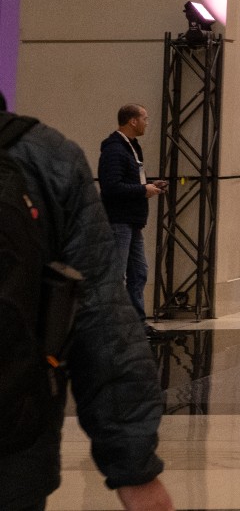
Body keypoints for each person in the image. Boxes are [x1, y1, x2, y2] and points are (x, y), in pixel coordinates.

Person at [1, 94, 176, 511]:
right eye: (143, 118)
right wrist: (135, 466)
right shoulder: (44, 156)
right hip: (13, 446)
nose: (147, 122)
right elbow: (101, 316)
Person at [97, 104, 165, 320]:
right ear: (132, 121)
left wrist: (149, 185)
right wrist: (143, 190)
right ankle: (112, 323)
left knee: (139, 272)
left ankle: (136, 323)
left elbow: (129, 180)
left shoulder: (131, 147)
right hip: (119, 221)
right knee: (117, 274)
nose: (147, 123)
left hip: (132, 220)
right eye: (145, 118)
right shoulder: (114, 150)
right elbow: (111, 187)